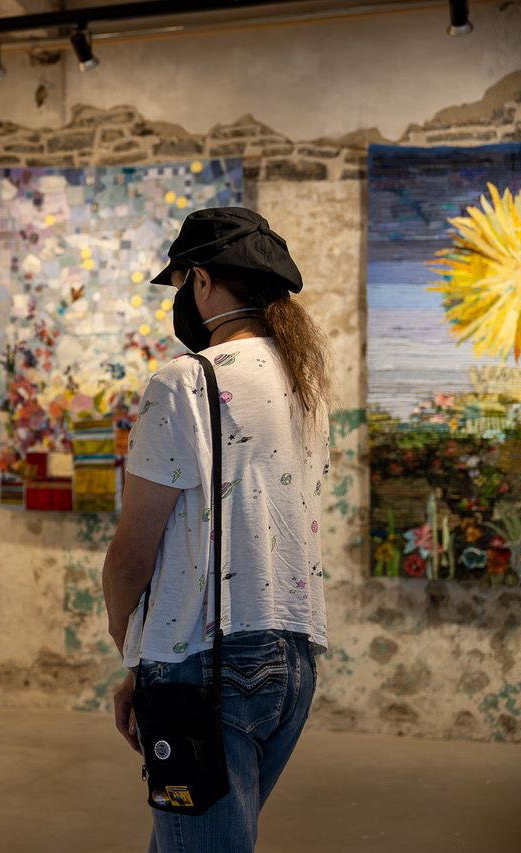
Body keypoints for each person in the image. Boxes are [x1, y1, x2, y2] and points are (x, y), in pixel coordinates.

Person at [101, 208, 331, 853]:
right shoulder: (304, 383)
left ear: (200, 280)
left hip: (205, 668)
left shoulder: (187, 380)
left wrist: (135, 657)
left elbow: (130, 555)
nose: (180, 298)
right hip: (292, 661)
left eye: (178, 283)